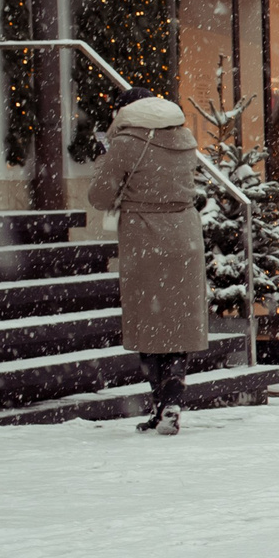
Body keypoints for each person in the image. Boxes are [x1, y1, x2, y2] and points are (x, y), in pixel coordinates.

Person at [87, 87, 212, 436]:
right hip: (185, 235)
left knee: (150, 325)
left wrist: (107, 160)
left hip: (145, 238)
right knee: (177, 325)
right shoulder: (185, 137)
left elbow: (99, 196)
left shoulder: (126, 143)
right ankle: (171, 400)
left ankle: (160, 404)